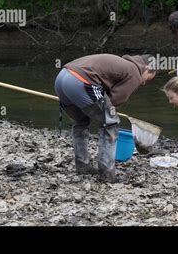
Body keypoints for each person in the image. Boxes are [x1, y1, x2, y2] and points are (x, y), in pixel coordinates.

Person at [54, 54, 156, 183]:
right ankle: (107, 174)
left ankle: (83, 166)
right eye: (148, 78)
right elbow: (116, 99)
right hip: (81, 81)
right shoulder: (135, 71)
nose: (144, 83)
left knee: (80, 122)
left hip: (62, 77)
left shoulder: (123, 63)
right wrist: (108, 113)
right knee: (110, 124)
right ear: (146, 68)